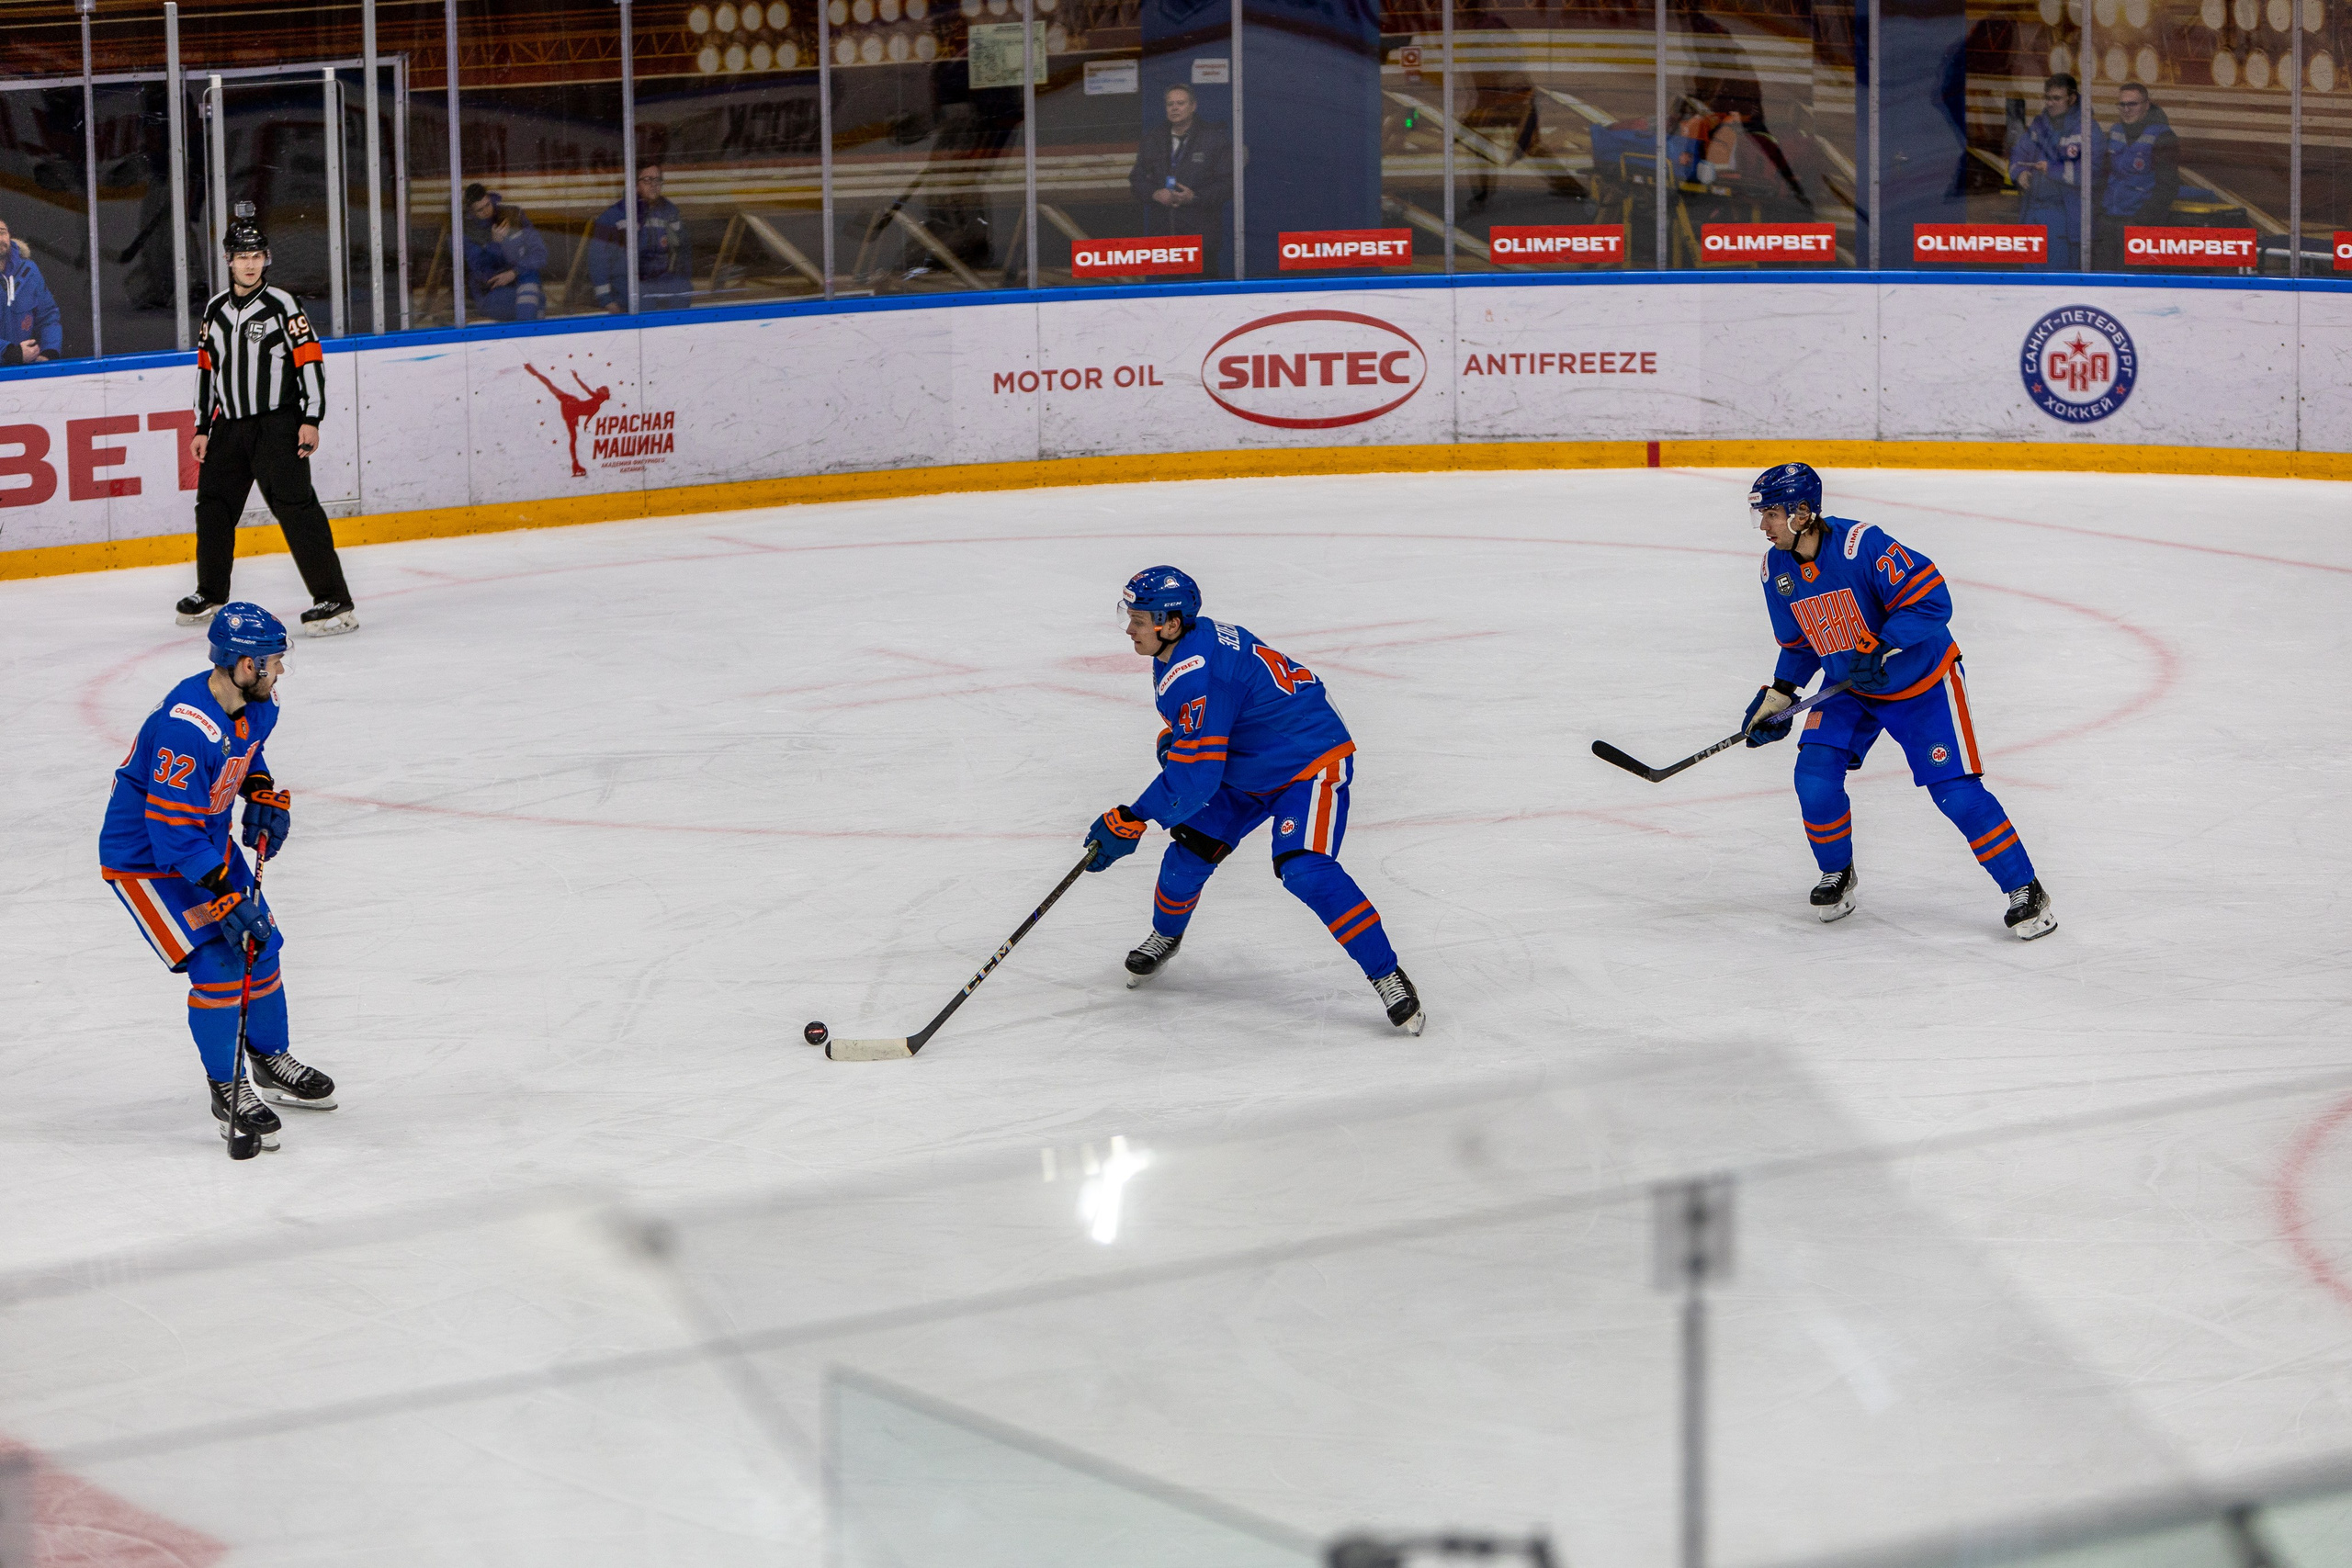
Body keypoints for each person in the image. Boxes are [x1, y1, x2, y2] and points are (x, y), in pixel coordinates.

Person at [1082, 567, 1426, 1032]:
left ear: (1171, 622)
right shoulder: (1185, 644)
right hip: (1245, 764)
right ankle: (1167, 934)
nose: (1129, 629)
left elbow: (1198, 777)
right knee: (1187, 858)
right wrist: (1181, 740)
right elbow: (1206, 731)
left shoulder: (1199, 670)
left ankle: (1388, 976)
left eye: (1139, 619)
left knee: (1306, 871)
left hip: (1308, 761)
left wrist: (1134, 817)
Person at [1739, 463, 2055, 939]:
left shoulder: (1863, 546)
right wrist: (1781, 694)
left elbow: (1932, 599)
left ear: (1803, 513)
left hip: (1922, 683)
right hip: (1850, 687)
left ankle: (2026, 890)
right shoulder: (1775, 570)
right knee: (1814, 776)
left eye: (1771, 514)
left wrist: (1882, 643)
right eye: (1760, 515)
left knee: (1955, 792)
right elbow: (1800, 643)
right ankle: (1837, 874)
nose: (1763, 526)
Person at [99, 604, 338, 1151]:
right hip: (146, 860)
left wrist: (259, 791)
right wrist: (229, 896)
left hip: (201, 843)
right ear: (244, 665)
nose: (279, 673)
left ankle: (270, 1058)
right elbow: (170, 834)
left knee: (263, 943)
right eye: (273, 662)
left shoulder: (258, 704)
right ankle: (226, 1087)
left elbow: (248, 755)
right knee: (220, 962)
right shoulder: (187, 726)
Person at [177, 204, 359, 637]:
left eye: (257, 255)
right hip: (229, 426)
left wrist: (311, 417)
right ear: (228, 260)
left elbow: (309, 361)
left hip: (278, 423)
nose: (250, 263)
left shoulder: (283, 305)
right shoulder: (215, 310)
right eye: (242, 256)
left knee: (297, 509)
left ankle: (335, 601)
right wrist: (204, 426)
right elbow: (208, 370)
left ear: (266, 259)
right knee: (214, 508)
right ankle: (211, 592)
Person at [1126, 86, 1234, 276]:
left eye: (1180, 103)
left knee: (1205, 295)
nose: (1174, 108)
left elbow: (1228, 184)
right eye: (1170, 104)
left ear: (1193, 106)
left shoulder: (1214, 139)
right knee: (1166, 297)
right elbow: (1137, 179)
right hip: (1164, 235)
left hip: (1201, 235)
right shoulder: (1153, 138)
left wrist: (1195, 197)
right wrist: (1155, 194)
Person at [2010, 73, 2095, 267]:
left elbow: (2092, 173)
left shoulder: (2087, 128)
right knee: (2029, 278)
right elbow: (2018, 154)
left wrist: (2053, 170)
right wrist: (2019, 173)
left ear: (2072, 99)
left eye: (2056, 98)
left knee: (2058, 282)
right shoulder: (2039, 125)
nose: (2050, 103)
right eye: (2047, 98)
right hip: (2032, 211)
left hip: (2064, 214)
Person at [2095, 83, 2181, 271]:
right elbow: (2102, 176)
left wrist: (2141, 220)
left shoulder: (2163, 137)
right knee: (2104, 283)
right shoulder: (2115, 131)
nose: (2126, 110)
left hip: (2140, 224)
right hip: (2109, 220)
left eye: (2132, 104)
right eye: (2122, 105)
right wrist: (2100, 211)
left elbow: (2167, 187)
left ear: (2146, 105)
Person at [587, 164, 693, 313]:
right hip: (625, 281)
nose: (654, 185)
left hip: (659, 278)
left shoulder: (668, 211)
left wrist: (683, 275)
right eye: (648, 180)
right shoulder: (614, 216)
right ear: (635, 185)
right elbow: (598, 259)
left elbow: (684, 246)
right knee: (643, 298)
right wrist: (606, 298)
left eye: (657, 180)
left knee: (683, 289)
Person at [462, 183, 548, 322]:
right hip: (491, 293)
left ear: (490, 199)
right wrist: (495, 244)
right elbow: (481, 271)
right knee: (535, 300)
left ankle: (525, 336)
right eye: (480, 210)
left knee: (530, 281)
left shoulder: (513, 215)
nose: (486, 211)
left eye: (487, 205)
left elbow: (540, 254)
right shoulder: (467, 231)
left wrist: (514, 272)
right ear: (471, 212)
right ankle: (526, 336)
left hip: (522, 284)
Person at [0, 217, 62, 364]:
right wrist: (8, 352)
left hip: (24, 374)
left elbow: (48, 316)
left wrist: (49, 352)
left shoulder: (28, 271)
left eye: (2, 232)